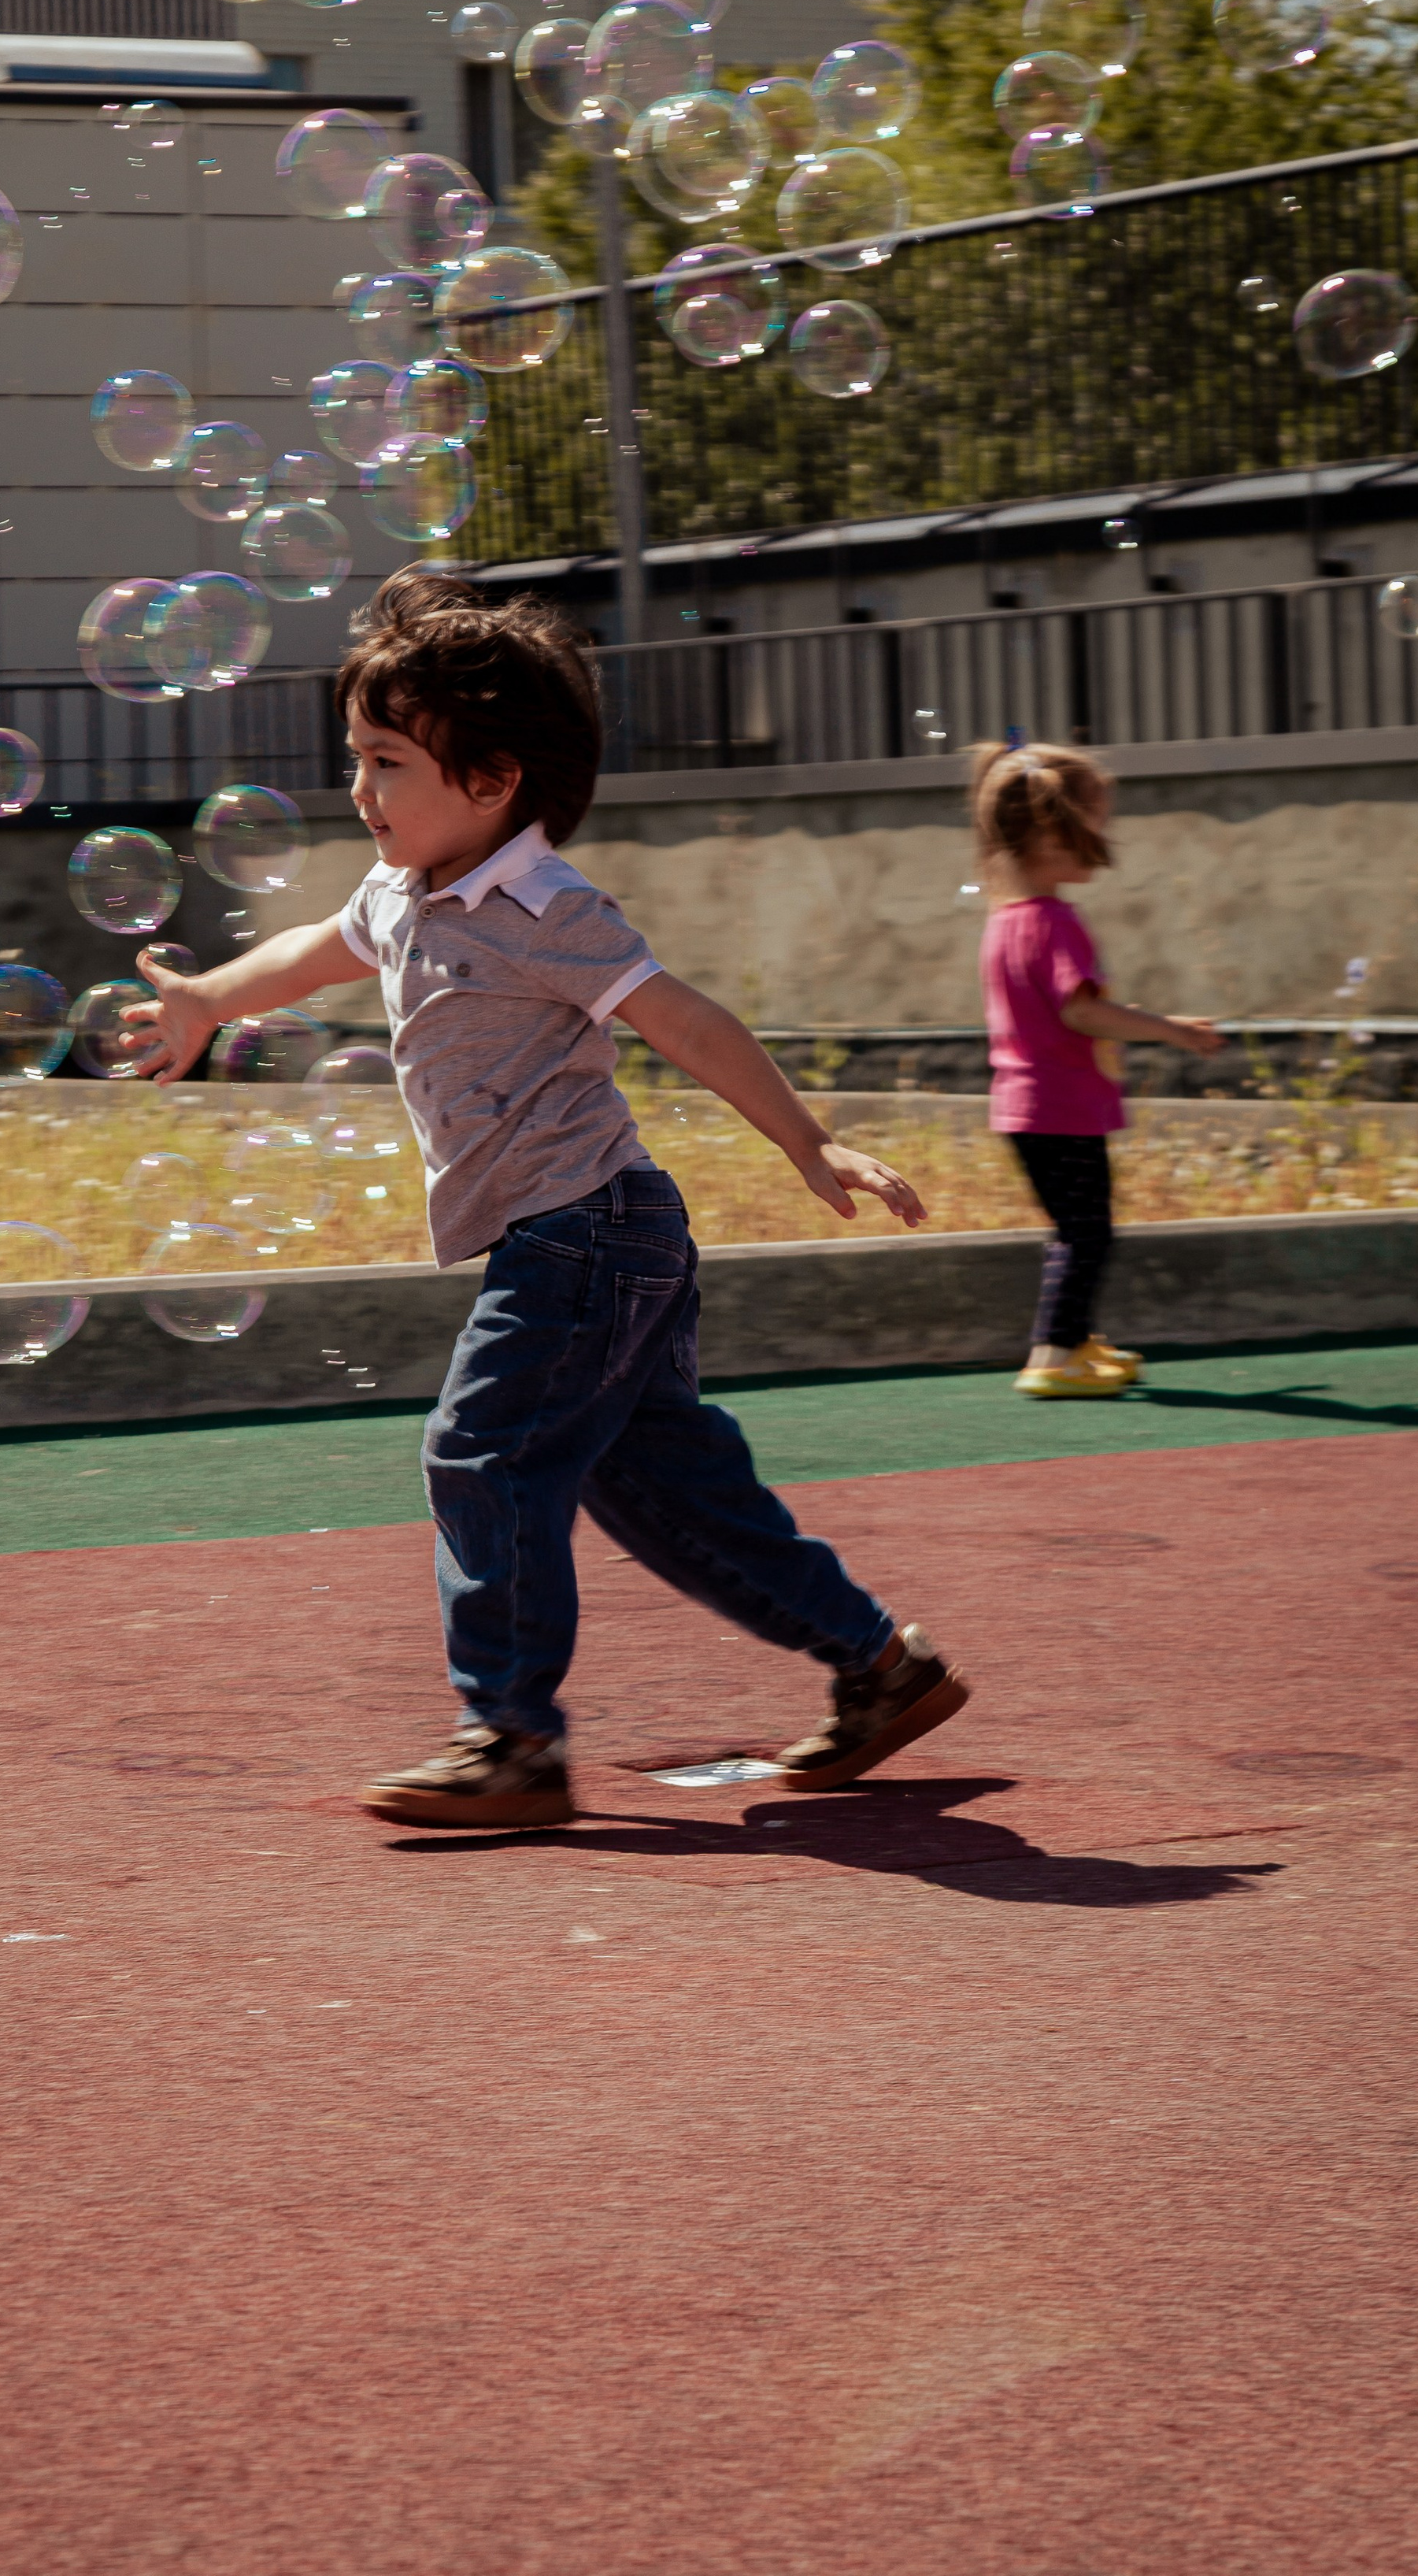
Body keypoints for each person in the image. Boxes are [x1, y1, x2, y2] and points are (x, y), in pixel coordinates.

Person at [120, 570, 970, 1830]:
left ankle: (511, 1736)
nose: (361, 789)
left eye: (387, 761)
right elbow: (317, 953)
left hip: (590, 1234)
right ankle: (882, 1669)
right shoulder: (400, 893)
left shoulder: (545, 908)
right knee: (663, 1492)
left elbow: (684, 1018)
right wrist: (207, 999)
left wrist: (809, 1140)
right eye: (355, 758)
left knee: (482, 1450)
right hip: (590, 1240)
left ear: (493, 781)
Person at [972, 739, 1224, 1400]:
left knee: (1080, 1229)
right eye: (1098, 824)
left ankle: (1077, 1340)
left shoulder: (1004, 921)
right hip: (1059, 1105)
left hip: (1028, 1105)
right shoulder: (1055, 922)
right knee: (1087, 1233)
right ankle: (1052, 1354)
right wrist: (1172, 1031)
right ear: (1056, 832)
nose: (1106, 839)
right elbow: (1084, 1012)